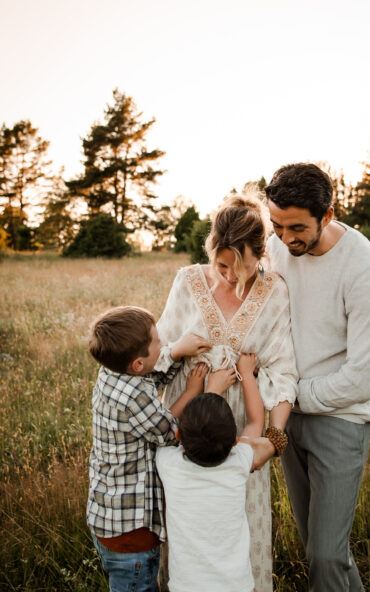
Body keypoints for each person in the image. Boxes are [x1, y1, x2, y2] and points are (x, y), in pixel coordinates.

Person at [156, 194, 298, 592]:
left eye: (244, 268)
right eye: (222, 266)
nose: (231, 278)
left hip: (241, 434)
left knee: (239, 530)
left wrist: (271, 439)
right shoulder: (187, 282)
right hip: (191, 421)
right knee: (190, 528)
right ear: (211, 249)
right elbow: (161, 354)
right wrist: (180, 352)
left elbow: (284, 368)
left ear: (262, 254)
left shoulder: (275, 291)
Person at [265, 163, 370, 591]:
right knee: (317, 550)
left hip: (341, 419)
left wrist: (289, 395)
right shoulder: (276, 247)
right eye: (276, 225)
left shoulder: (364, 268)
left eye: (297, 227)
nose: (285, 238)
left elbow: (361, 379)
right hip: (286, 417)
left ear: (328, 214)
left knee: (327, 554)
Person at [87, 305, 212, 592]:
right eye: (157, 341)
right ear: (137, 364)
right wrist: (193, 391)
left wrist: (176, 352)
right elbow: (169, 431)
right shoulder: (134, 396)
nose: (162, 344)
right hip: (132, 534)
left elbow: (149, 378)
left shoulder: (112, 373)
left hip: (108, 518)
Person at [157, 353, 273, 592]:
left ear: (179, 436)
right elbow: (255, 423)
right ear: (235, 441)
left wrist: (199, 392)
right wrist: (248, 375)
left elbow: (162, 427)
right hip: (236, 586)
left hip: (186, 587)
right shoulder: (239, 461)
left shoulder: (167, 463)